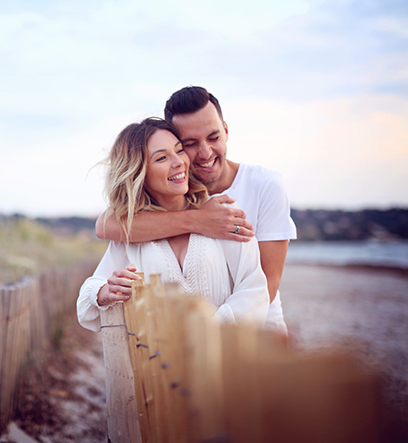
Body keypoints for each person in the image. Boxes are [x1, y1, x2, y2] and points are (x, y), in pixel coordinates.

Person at [95, 87, 296, 334]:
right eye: (189, 144)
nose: (205, 153)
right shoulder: (171, 186)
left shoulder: (265, 184)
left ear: (226, 131)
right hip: (182, 350)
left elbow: (267, 285)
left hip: (259, 336)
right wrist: (198, 220)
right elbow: (106, 225)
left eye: (213, 138)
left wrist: (205, 336)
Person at [77, 118, 269, 332]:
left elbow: (254, 289)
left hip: (225, 358)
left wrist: (207, 335)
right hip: (158, 362)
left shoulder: (222, 214)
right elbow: (87, 300)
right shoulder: (134, 233)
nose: (178, 162)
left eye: (179, 150)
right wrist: (105, 292)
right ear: (139, 173)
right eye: (161, 158)